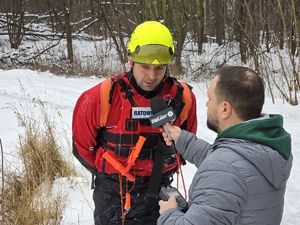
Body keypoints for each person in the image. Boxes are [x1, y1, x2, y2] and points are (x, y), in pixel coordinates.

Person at [72, 21, 197, 225]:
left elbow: (187, 145)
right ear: (130, 60)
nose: (151, 76)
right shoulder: (101, 97)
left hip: (161, 195)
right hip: (113, 197)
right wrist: (113, 175)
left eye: (159, 68)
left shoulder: (183, 98)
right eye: (144, 67)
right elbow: (82, 147)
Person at [158, 66, 293, 225]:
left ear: (225, 109)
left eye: (210, 98)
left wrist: (169, 213)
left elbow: (225, 169)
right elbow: (234, 164)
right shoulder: (267, 146)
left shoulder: (224, 171)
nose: (207, 104)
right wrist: (183, 139)